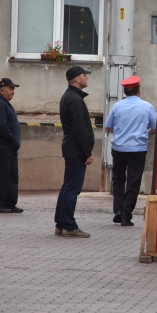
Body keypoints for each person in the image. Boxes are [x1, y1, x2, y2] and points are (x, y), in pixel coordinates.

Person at [105, 76, 157, 226]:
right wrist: (145, 132)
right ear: (138, 90)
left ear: (125, 91)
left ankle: (118, 210)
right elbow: (155, 126)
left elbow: (109, 127)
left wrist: (121, 131)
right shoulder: (147, 106)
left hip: (119, 147)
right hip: (138, 148)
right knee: (133, 181)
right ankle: (127, 214)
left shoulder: (117, 106)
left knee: (118, 178)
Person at [54, 65, 94, 237]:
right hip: (76, 150)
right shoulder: (75, 99)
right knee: (72, 188)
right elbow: (79, 128)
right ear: (78, 79)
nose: (87, 78)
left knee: (67, 187)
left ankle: (61, 223)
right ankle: (69, 225)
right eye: (85, 75)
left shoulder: (69, 96)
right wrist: (87, 152)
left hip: (72, 148)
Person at [0, 78, 23, 214]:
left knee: (11, 176)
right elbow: (1, 127)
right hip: (3, 146)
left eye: (13, 89)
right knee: (2, 176)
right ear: (2, 90)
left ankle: (9, 203)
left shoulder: (5, 104)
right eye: (11, 89)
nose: (13, 92)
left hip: (10, 147)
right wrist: (13, 141)